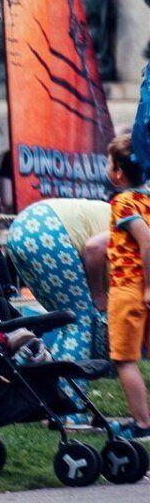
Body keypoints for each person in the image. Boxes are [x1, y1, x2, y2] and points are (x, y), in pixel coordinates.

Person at [6, 197, 113, 363]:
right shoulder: (141, 227)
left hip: (24, 228)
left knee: (65, 321)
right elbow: (94, 248)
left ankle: (26, 379)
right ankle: (65, 388)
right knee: (78, 321)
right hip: (47, 231)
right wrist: (98, 295)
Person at [106, 133, 150, 437]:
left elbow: (147, 242)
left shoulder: (124, 202)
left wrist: (147, 288)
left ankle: (143, 424)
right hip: (141, 286)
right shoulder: (147, 199)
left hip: (129, 287)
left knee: (124, 359)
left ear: (119, 171)